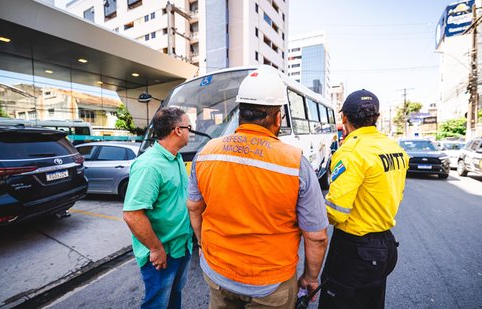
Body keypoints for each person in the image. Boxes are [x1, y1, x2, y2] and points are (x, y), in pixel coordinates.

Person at [187, 68, 329, 309]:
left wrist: (202, 245)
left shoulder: (206, 152)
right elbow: (316, 236)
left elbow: (194, 207)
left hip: (218, 272)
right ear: (277, 118)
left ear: (240, 113)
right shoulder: (295, 163)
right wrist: (311, 277)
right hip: (271, 284)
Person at [318, 89, 409, 309]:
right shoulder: (394, 148)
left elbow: (336, 211)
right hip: (384, 246)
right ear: (375, 117)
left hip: (355, 250)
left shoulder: (351, 152)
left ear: (344, 118)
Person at [122, 107, 193, 309]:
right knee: (158, 304)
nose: (190, 132)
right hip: (163, 254)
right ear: (177, 130)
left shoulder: (176, 157)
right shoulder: (149, 165)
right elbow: (132, 215)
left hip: (181, 246)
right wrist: (156, 248)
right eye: (189, 127)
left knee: (173, 298)